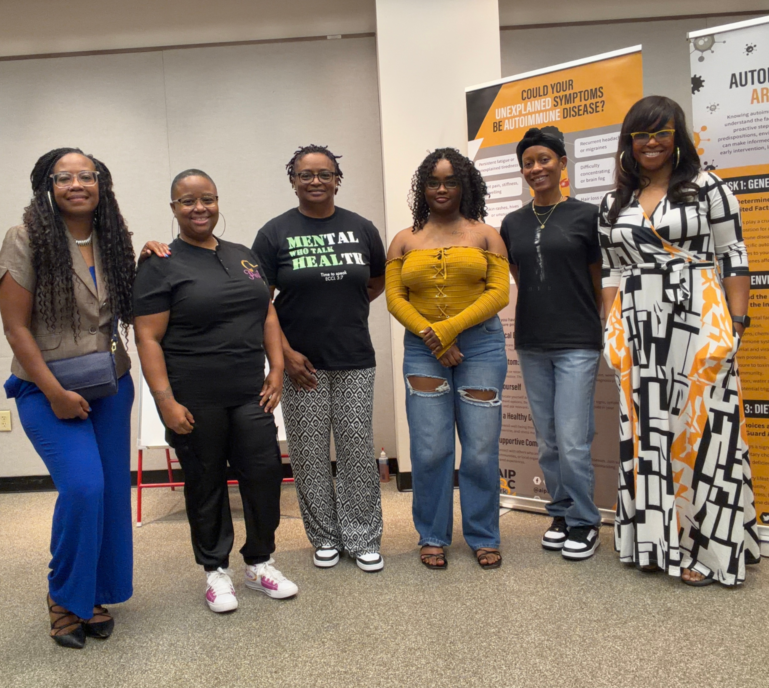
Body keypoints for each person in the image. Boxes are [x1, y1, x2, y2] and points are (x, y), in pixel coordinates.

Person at [599, 95, 760, 587]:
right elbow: (611, 269)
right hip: (638, 326)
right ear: (629, 142)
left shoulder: (707, 187)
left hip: (698, 313)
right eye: (641, 135)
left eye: (661, 132)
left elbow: (733, 253)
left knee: (704, 432)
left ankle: (709, 551)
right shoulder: (614, 202)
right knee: (646, 434)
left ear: (678, 136)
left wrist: (735, 322)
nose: (651, 143)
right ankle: (652, 540)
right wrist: (611, 326)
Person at [134, 169, 297, 614]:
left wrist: (277, 366)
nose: (198, 208)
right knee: (205, 482)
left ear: (218, 201)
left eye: (206, 199)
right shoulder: (160, 263)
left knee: (263, 475)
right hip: (193, 395)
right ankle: (215, 572)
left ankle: (260, 562)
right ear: (174, 209)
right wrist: (164, 400)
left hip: (249, 390)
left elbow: (265, 312)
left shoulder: (244, 256)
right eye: (187, 201)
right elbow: (147, 338)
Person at [0, 147, 137, 648]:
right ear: (46, 186)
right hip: (47, 387)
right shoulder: (24, 238)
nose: (77, 184)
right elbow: (15, 329)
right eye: (64, 177)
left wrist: (162, 254)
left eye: (87, 176)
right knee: (83, 488)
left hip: (111, 385)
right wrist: (54, 393)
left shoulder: (114, 239)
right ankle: (63, 596)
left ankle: (93, 593)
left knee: (112, 493)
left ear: (101, 184)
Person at [250, 145, 387, 573]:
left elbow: (377, 281)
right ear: (292, 179)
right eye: (305, 174)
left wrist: (340, 308)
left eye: (324, 174)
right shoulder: (273, 233)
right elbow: (260, 303)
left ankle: (363, 536)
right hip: (299, 365)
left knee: (356, 451)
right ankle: (324, 536)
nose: (315, 181)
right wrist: (285, 355)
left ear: (336, 179)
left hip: (354, 359)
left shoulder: (361, 227)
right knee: (309, 453)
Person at [385, 148, 510, 570]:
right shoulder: (404, 239)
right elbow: (394, 298)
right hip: (423, 351)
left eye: (451, 181)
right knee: (431, 448)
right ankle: (432, 535)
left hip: (481, 349)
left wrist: (449, 330)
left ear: (465, 186)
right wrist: (434, 338)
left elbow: (499, 294)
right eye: (433, 182)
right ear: (423, 188)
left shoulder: (487, 235)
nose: (441, 189)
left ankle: (483, 535)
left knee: (478, 449)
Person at [499, 127, 604, 561]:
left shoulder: (588, 216)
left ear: (562, 162)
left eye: (544, 159)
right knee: (548, 440)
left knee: (574, 438)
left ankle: (584, 521)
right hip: (532, 342)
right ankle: (560, 512)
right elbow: (521, 279)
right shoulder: (512, 223)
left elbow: (598, 283)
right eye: (528, 162)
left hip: (578, 341)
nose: (536, 168)